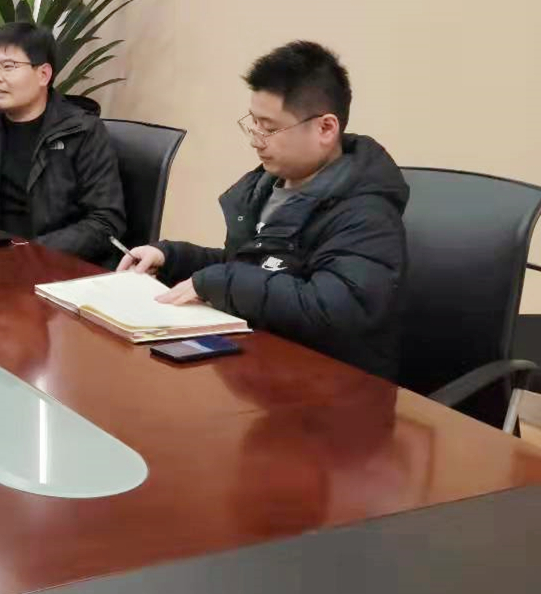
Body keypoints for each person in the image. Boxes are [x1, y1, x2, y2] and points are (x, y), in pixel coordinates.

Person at [117, 41, 408, 379]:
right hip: (262, 367)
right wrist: (171, 257)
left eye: (269, 129)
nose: (256, 139)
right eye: (254, 123)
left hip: (334, 387)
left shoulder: (366, 212)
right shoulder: (267, 187)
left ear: (326, 129)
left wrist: (221, 282)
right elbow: (251, 266)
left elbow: (332, 309)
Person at [0, 22, 126, 265]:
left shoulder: (83, 132)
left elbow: (106, 221)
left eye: (8, 67)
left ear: (43, 74)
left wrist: (30, 253)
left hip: (60, 269)